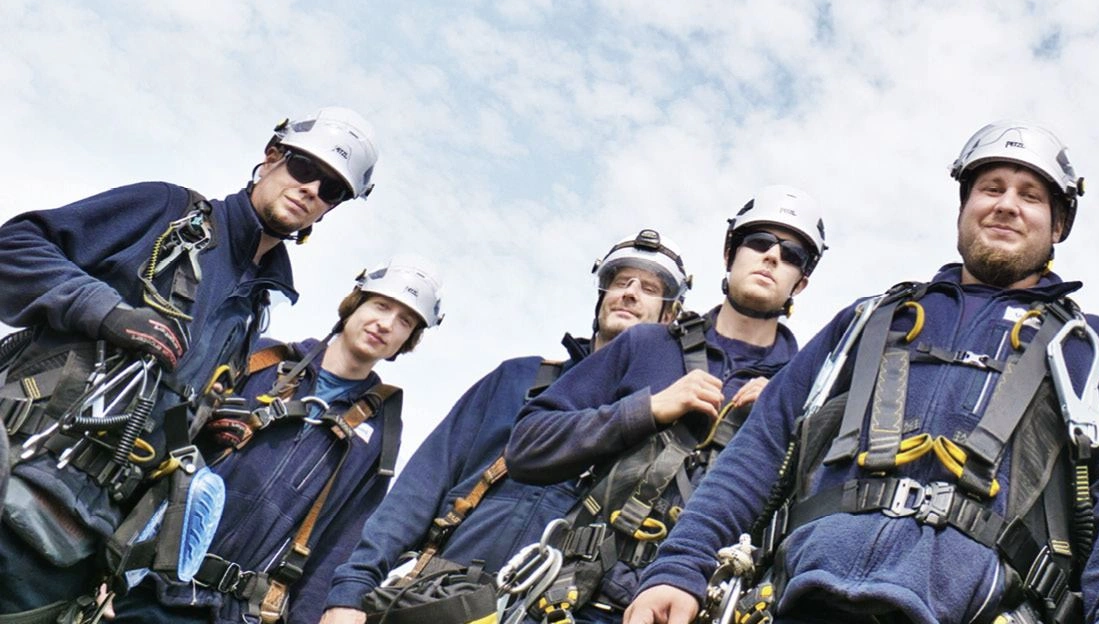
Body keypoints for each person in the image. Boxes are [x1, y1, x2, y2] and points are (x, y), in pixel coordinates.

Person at [622, 121, 1099, 624]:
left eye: (1030, 196)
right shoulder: (867, 321)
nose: (1007, 205)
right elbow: (761, 450)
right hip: (799, 600)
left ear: (1057, 224)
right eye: (991, 189)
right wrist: (680, 566)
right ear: (963, 207)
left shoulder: (1097, 351)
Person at [0, 107, 379, 621]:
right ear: (271, 157)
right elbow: (13, 248)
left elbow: (167, 407)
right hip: (17, 471)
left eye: (331, 188)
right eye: (303, 167)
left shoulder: (252, 316)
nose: (312, 188)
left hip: (73, 549)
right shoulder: (166, 213)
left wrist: (200, 432)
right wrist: (106, 311)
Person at [320, 230, 694, 624]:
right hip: (441, 600)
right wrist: (352, 590)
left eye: (650, 288)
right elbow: (422, 485)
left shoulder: (670, 426)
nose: (630, 293)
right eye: (619, 282)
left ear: (670, 315)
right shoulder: (519, 379)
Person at [500, 187, 826, 621]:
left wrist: (791, 410)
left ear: (801, 282)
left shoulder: (810, 390)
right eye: (759, 242)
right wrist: (647, 408)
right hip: (575, 600)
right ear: (729, 252)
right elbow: (526, 447)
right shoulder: (647, 344)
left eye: (792, 255)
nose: (772, 258)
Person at [110, 256, 441, 624]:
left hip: (241, 613)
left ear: (406, 342)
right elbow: (161, 439)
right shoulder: (260, 359)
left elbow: (342, 540)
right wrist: (107, 565)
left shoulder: (379, 433)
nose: (386, 324)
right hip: (149, 585)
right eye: (381, 305)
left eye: (405, 321)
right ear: (355, 304)